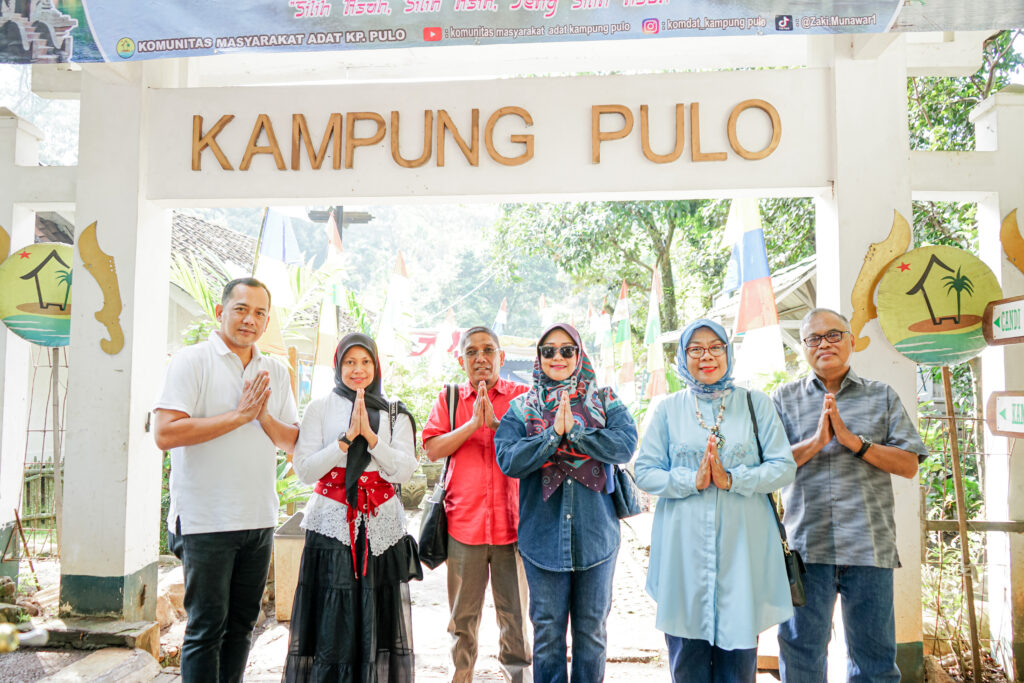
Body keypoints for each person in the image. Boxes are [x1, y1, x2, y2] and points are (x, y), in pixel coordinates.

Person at [154, 277, 300, 683]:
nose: (249, 319)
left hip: (258, 519)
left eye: (259, 313)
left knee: (242, 626)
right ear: (221, 312)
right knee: (206, 628)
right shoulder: (192, 361)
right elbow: (164, 433)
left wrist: (261, 416)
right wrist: (238, 416)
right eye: (241, 309)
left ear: (267, 322)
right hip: (205, 521)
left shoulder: (274, 370)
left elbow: (292, 441)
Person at [772, 308, 928, 683]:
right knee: (801, 655)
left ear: (851, 341)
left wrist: (854, 443)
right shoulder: (784, 398)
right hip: (806, 550)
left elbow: (909, 464)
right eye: (813, 338)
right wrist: (817, 442)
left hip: (869, 546)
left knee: (874, 661)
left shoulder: (881, 396)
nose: (824, 344)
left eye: (833, 335)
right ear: (803, 348)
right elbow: (768, 467)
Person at [635, 318, 796, 682]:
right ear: (682, 356)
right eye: (695, 349)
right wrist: (690, 480)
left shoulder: (756, 404)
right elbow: (644, 471)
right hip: (683, 554)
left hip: (742, 552)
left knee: (738, 666)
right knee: (687, 663)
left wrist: (733, 479)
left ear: (728, 351)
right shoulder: (668, 409)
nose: (706, 356)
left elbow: (784, 467)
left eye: (715, 347)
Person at [495, 322, 638, 683]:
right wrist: (551, 436)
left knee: (592, 633)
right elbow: (509, 460)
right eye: (548, 351)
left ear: (579, 354)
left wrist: (576, 432)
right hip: (542, 538)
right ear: (539, 357)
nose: (557, 357)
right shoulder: (521, 408)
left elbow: (625, 445)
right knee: (547, 636)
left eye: (566, 350)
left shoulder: (604, 400)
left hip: (596, 537)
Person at [283, 333, 422, 682]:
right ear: (338, 365)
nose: (358, 369)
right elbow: (305, 470)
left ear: (376, 366)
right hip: (332, 526)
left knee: (377, 617)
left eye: (365, 362)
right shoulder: (319, 408)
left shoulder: (394, 412)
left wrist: (371, 439)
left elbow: (404, 470)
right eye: (349, 362)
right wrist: (345, 441)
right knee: (333, 619)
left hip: (380, 528)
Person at [422, 326, 533, 683]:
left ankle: (517, 677)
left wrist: (497, 425)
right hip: (463, 527)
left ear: (502, 357)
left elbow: (535, 448)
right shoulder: (450, 399)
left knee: (515, 620)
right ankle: (461, 676)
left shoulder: (522, 397)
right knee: (462, 621)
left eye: (488, 350)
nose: (480, 358)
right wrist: (472, 425)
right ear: (461, 361)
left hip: (513, 527)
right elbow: (433, 448)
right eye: (471, 352)